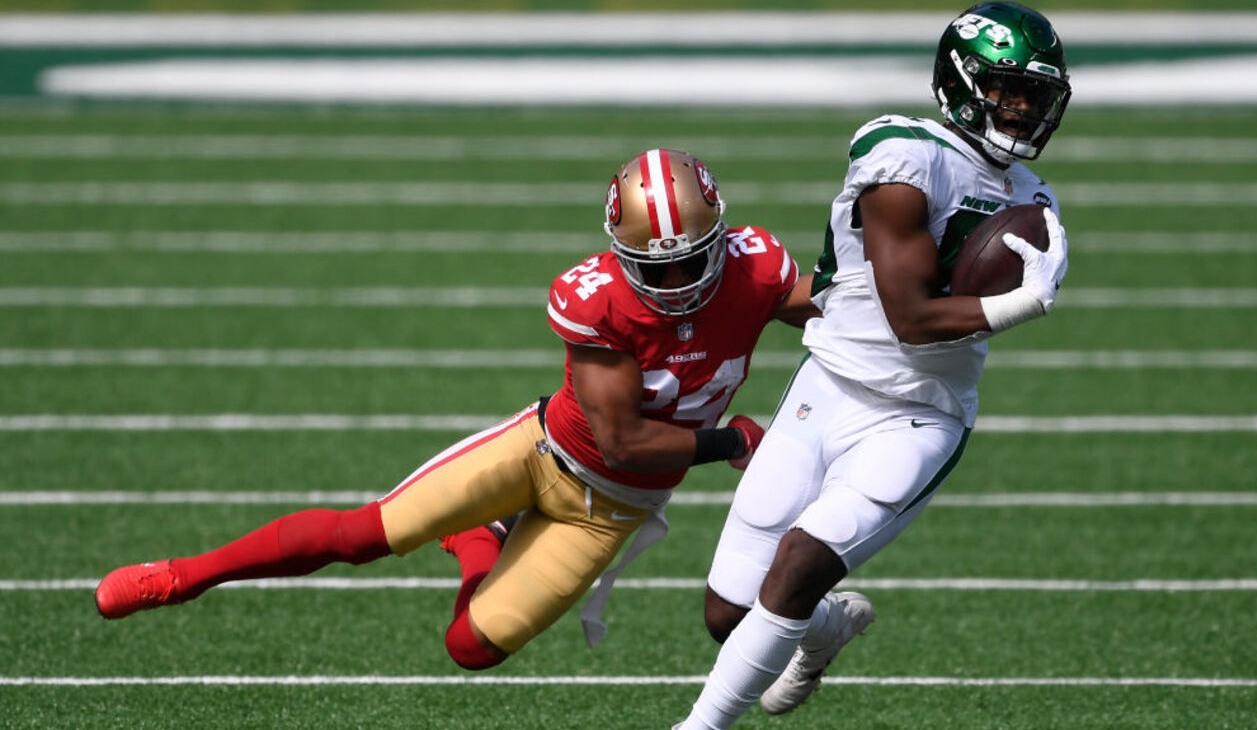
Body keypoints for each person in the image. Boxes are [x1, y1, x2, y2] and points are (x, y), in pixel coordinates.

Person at [94, 148, 820, 670]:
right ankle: (186, 575)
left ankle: (480, 538)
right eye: (655, 266)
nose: (675, 279)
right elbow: (624, 440)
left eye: (691, 259)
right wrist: (733, 441)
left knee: (469, 649)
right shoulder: (598, 299)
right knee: (364, 534)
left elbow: (833, 307)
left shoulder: (755, 265)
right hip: (542, 455)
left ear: (719, 234)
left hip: (612, 511)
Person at [673, 3, 1072, 727]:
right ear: (961, 81)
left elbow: (930, 340)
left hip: (919, 415)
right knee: (730, 612)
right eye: (1008, 89)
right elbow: (911, 318)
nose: (1021, 109)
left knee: (794, 569)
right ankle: (825, 630)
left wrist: (1022, 290)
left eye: (1035, 96)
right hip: (826, 388)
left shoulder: (1032, 203)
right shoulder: (901, 153)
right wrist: (1025, 302)